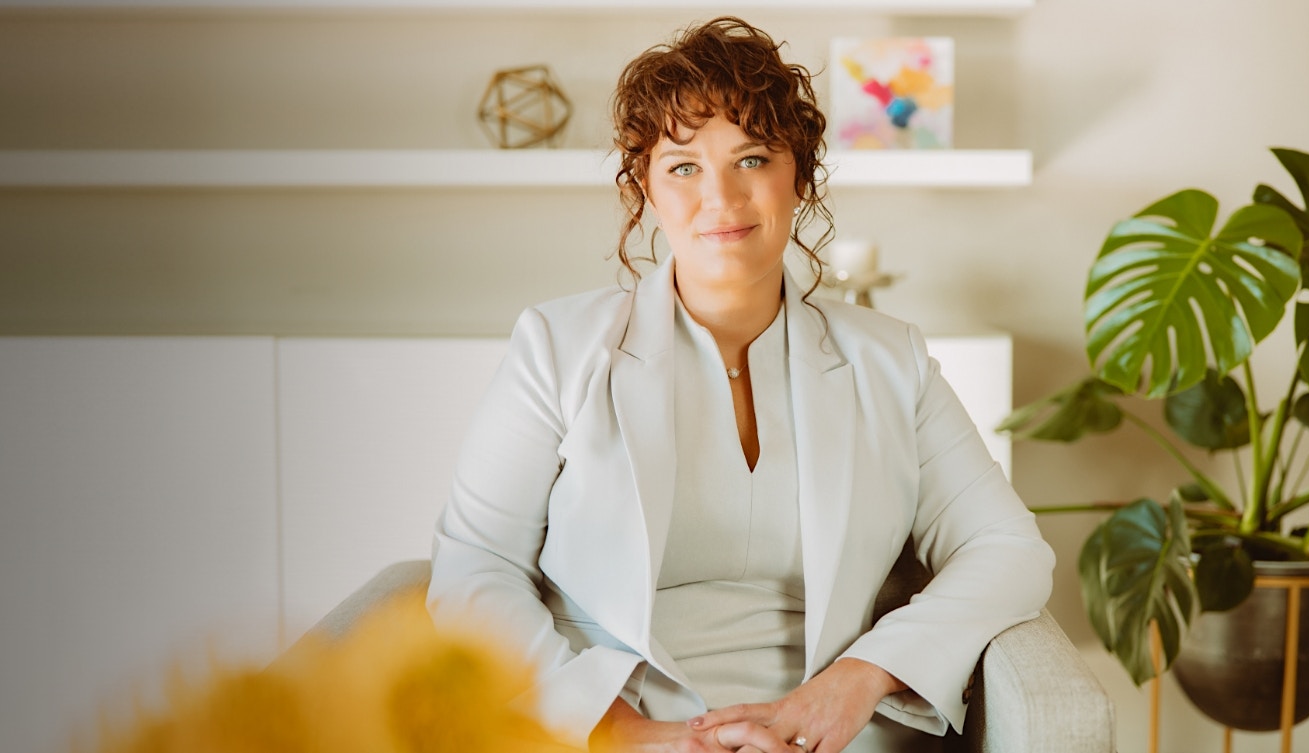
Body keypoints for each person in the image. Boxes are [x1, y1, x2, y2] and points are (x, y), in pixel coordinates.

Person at [424, 16, 1054, 753]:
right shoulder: (556, 349)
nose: (719, 197)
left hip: (833, 733)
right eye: (683, 166)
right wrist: (620, 732)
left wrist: (857, 679)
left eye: (751, 158)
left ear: (800, 175)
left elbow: (1008, 546)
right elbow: (476, 566)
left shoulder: (893, 360)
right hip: (611, 726)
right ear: (648, 191)